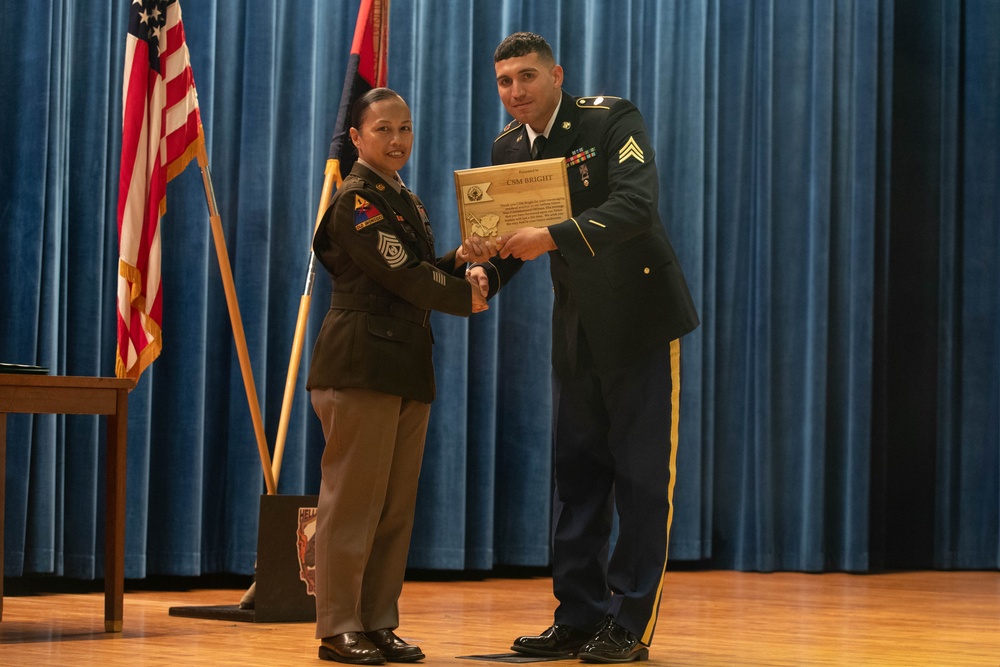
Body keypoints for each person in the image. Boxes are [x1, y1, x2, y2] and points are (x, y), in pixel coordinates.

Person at [466, 32, 700, 663]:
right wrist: (488, 271)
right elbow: (516, 237)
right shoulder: (507, 147)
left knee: (642, 478)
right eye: (504, 81)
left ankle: (628, 622)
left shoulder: (609, 119)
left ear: (557, 75)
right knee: (578, 476)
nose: (515, 92)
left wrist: (550, 235)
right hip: (577, 328)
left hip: (638, 320)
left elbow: (635, 206)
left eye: (527, 77)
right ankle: (577, 615)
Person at [307, 87, 490, 665]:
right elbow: (399, 275)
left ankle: (377, 620)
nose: (397, 140)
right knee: (352, 502)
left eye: (405, 128)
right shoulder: (355, 201)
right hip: (360, 362)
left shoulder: (403, 198)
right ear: (356, 138)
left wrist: (458, 261)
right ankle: (338, 626)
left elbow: (415, 272)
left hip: (405, 362)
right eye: (383, 129)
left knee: (393, 506)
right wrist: (465, 296)